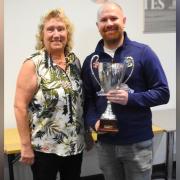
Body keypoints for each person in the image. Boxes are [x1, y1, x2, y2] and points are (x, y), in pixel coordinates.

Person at [82, 2, 170, 180]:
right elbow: (88, 99)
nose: (109, 23)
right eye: (104, 20)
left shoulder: (143, 53)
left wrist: (131, 98)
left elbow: (163, 93)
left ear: (124, 21)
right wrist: (93, 122)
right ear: (98, 26)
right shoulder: (90, 61)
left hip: (137, 142)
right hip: (106, 144)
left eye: (113, 18)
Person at [14, 8, 85, 180]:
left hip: (74, 146)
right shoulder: (33, 64)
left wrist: (88, 135)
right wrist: (25, 146)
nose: (56, 34)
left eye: (60, 29)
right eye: (50, 29)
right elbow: (19, 106)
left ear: (67, 33)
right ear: (42, 35)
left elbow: (79, 102)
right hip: (44, 148)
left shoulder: (74, 61)